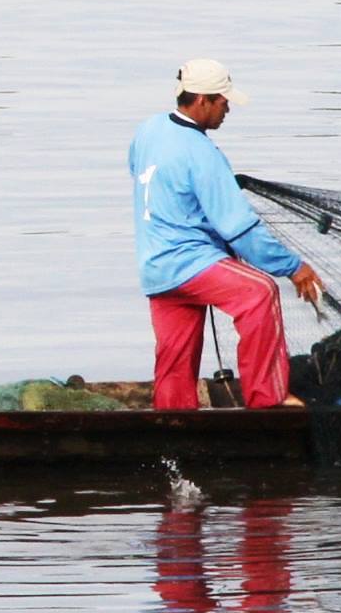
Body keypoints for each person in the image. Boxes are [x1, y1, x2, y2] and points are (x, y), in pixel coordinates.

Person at [131, 58, 327, 412]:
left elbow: (145, 174)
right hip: (191, 261)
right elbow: (240, 229)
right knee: (259, 292)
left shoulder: (148, 130)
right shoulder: (202, 152)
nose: (227, 110)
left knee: (175, 355)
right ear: (203, 100)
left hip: (155, 267)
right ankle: (268, 399)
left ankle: (173, 420)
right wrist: (293, 267)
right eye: (224, 102)